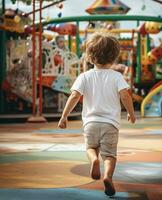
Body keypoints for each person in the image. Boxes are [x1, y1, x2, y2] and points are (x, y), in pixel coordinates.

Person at [58, 32, 135, 197]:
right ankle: (107, 176)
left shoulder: (84, 76)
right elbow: (125, 96)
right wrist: (131, 113)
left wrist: (64, 116)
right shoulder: (117, 76)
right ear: (114, 56)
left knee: (91, 147)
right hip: (111, 124)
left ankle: (93, 159)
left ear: (90, 57)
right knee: (110, 155)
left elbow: (74, 96)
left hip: (90, 123)